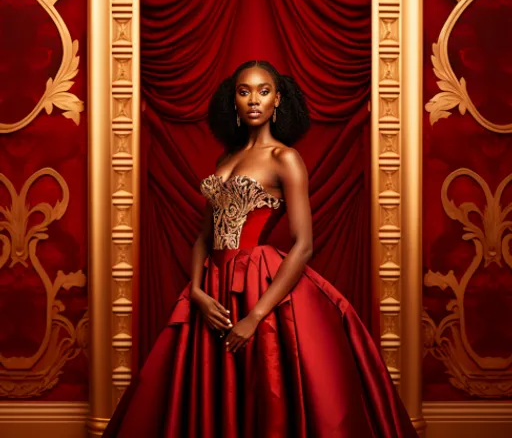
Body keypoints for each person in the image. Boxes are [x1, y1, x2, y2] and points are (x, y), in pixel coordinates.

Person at [103, 60, 418, 437]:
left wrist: (254, 316)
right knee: (207, 388)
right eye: (244, 91)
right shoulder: (224, 160)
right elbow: (204, 237)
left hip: (259, 284)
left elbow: (303, 245)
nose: (254, 99)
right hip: (212, 288)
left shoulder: (284, 158)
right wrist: (198, 292)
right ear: (233, 101)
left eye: (264, 91)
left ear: (278, 99)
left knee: (263, 385)